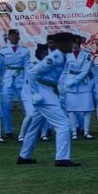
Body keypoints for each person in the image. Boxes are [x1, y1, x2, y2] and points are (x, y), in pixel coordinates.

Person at [17, 32, 80, 167]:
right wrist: (34, 93)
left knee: (35, 126)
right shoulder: (55, 57)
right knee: (63, 124)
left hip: (48, 91)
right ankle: (62, 158)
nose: (72, 45)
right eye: (69, 42)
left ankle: (24, 156)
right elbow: (33, 72)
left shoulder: (61, 56)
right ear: (61, 44)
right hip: (44, 94)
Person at [62, 36, 95, 140]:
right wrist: (64, 83)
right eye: (73, 43)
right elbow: (64, 70)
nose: (75, 45)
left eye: (77, 43)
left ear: (79, 44)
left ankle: (86, 132)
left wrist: (74, 81)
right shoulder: (66, 55)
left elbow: (85, 71)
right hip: (69, 83)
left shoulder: (86, 55)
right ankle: (74, 132)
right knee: (71, 109)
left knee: (87, 109)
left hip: (83, 84)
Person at [0, 29, 29, 137]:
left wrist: (27, 80)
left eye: (16, 36)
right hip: (7, 80)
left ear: (19, 37)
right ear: (8, 38)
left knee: (25, 105)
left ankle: (28, 128)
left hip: (21, 79)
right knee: (6, 105)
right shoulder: (3, 51)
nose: (15, 38)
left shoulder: (25, 51)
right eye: (12, 36)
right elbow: (1, 67)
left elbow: (27, 67)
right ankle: (8, 130)